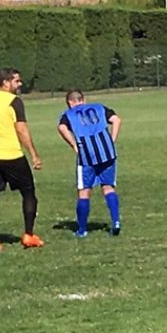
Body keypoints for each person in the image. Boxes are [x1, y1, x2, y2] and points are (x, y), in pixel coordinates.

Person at [0, 68, 44, 252]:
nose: (20, 84)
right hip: (11, 155)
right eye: (17, 81)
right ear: (5, 82)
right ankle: (29, 235)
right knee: (28, 193)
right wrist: (34, 154)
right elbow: (21, 129)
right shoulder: (14, 102)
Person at [57, 89, 123, 238]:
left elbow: (61, 127)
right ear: (83, 99)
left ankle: (82, 230)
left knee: (84, 191)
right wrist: (111, 140)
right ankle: (116, 221)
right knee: (108, 188)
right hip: (107, 153)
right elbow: (116, 120)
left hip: (87, 156)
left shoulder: (69, 114)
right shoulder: (99, 107)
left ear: (70, 103)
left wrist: (74, 145)